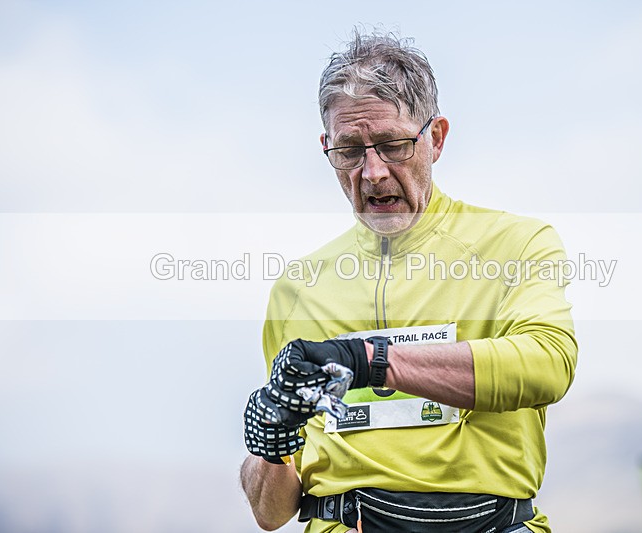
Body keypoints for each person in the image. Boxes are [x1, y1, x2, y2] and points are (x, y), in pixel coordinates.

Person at [241, 29, 577, 533]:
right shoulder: (298, 289)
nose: (372, 172)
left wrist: (373, 361)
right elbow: (271, 514)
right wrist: (271, 442)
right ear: (327, 148)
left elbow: (549, 364)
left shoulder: (516, 243)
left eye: (393, 145)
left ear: (435, 138)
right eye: (349, 151)